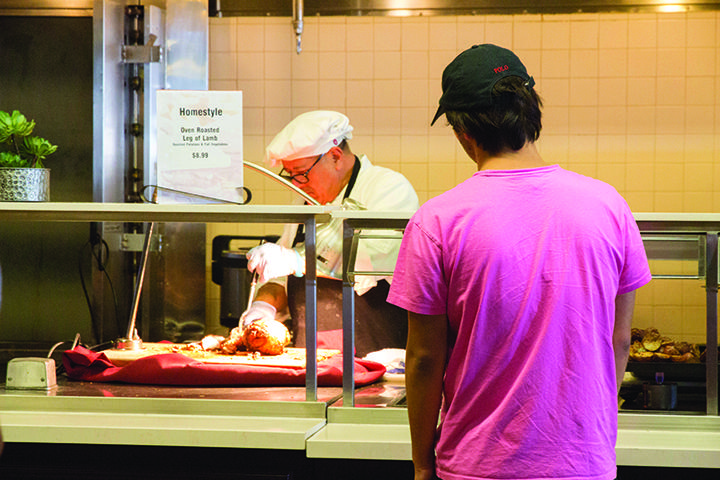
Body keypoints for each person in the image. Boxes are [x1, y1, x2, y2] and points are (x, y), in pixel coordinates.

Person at [387, 44, 652, 480]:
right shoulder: (609, 206)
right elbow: (618, 340)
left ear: (462, 131)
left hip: (477, 463)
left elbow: (423, 360)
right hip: (583, 462)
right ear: (532, 115)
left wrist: (421, 464)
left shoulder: (437, 220)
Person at [244, 110, 419, 357]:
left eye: (302, 173)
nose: (297, 184)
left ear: (335, 156)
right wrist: (263, 306)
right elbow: (282, 279)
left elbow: (375, 258)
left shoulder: (387, 187)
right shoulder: (302, 204)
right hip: (312, 361)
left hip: (377, 358)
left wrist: (293, 259)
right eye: (290, 175)